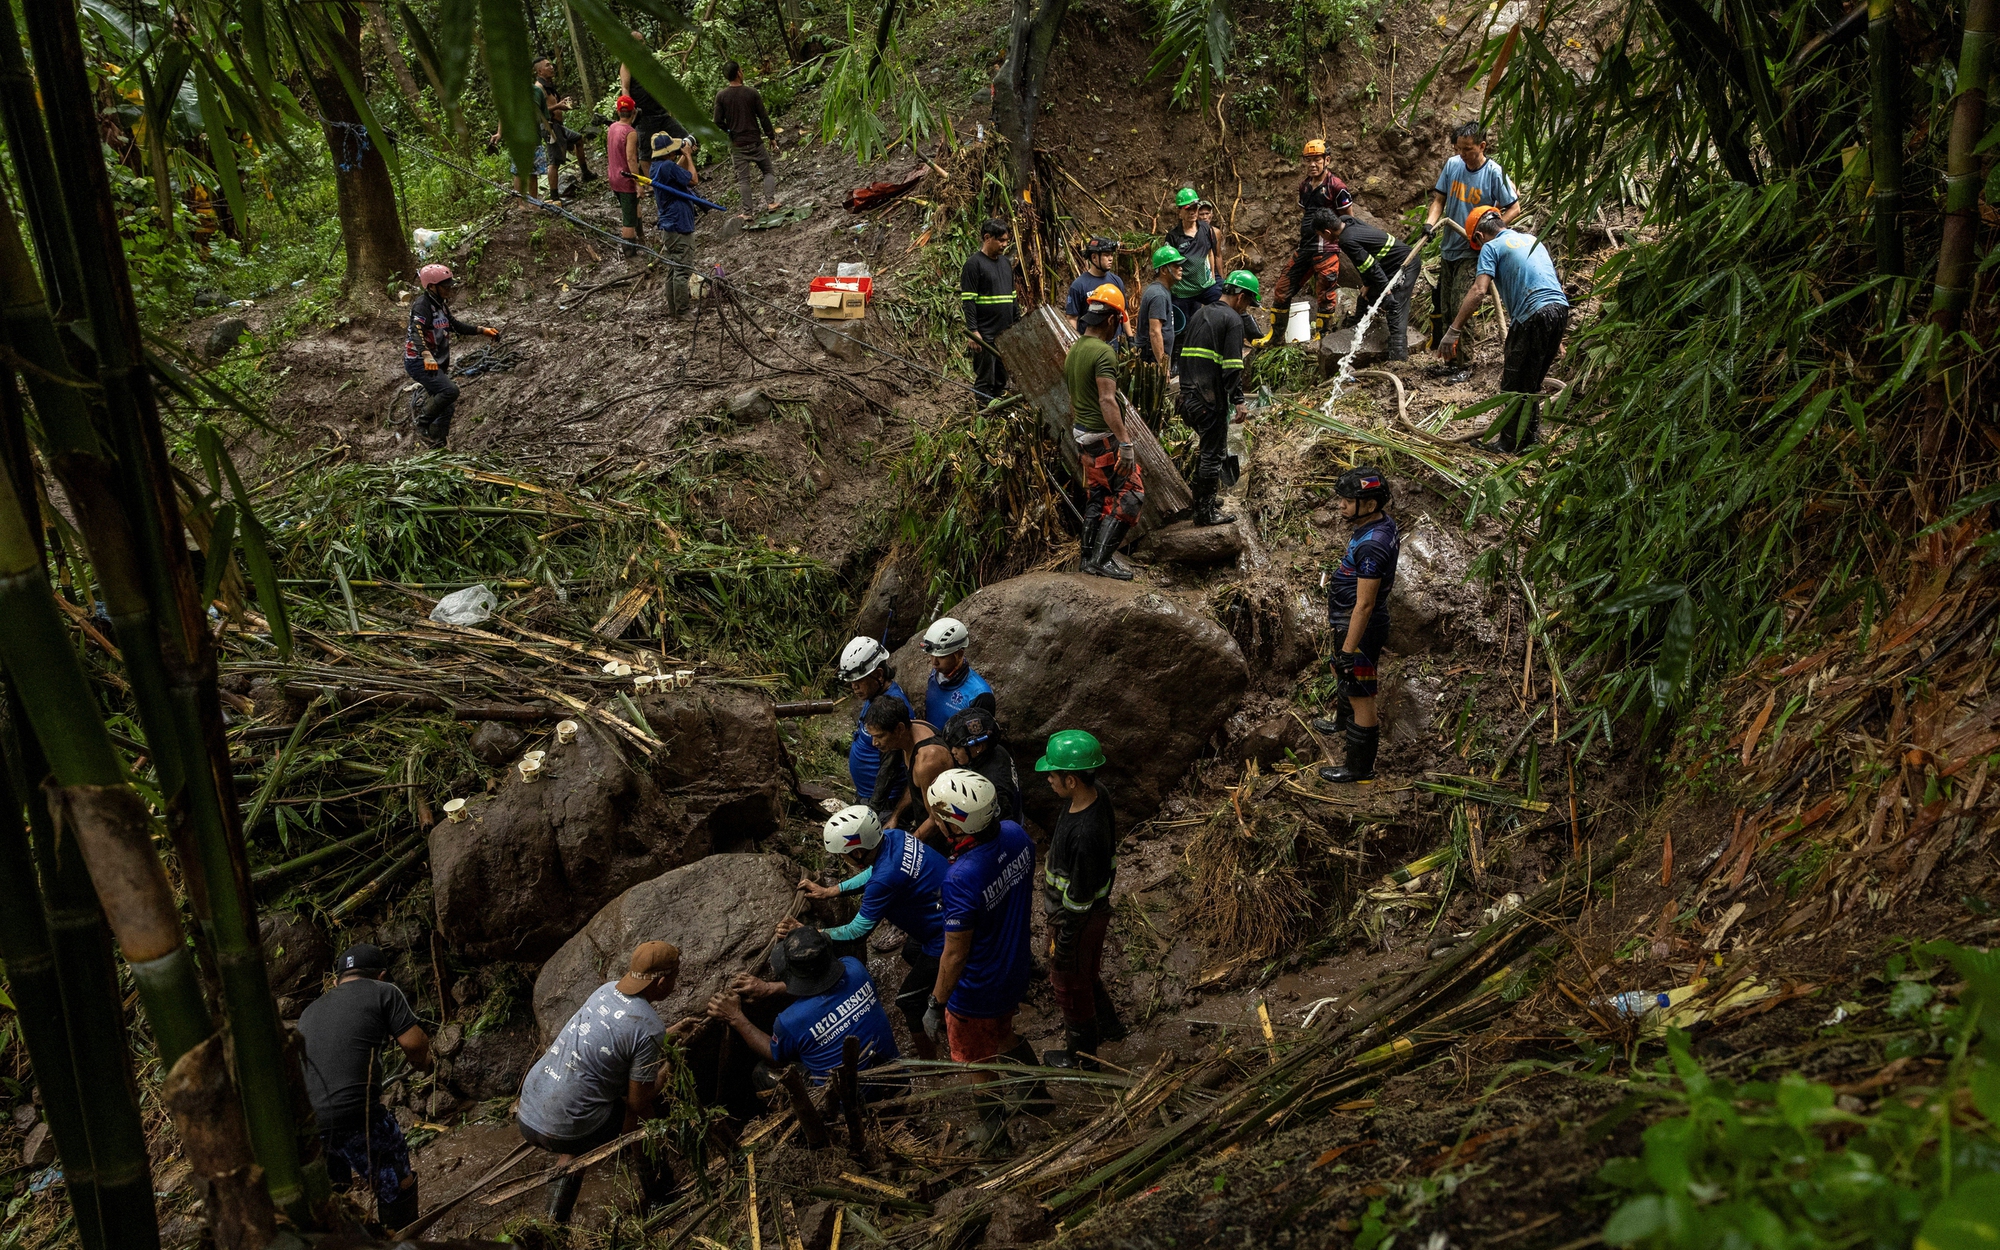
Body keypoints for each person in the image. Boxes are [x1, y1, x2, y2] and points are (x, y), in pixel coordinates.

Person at [517, 942, 697, 1224]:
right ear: (662, 981)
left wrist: (668, 1036)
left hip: (529, 1110)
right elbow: (639, 1101)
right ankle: (661, 1195)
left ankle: (552, 1226)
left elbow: (616, 1041)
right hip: (564, 1123)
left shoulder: (606, 990)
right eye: (675, 977)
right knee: (640, 1117)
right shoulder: (649, 1026)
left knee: (576, 1129)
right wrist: (671, 1067)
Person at [919, 769, 1040, 1152]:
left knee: (975, 1062)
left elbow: (954, 954)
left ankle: (994, 1133)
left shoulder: (961, 879)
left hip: (977, 988)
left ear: (955, 826)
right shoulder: (1017, 836)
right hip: (1014, 966)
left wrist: (936, 1004)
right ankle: (1036, 1095)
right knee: (1003, 1034)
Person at [297, 944, 433, 1230]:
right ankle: (403, 1240)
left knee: (336, 1193)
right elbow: (414, 1044)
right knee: (398, 1181)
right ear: (381, 976)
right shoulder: (384, 992)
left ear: (335, 981)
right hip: (355, 1115)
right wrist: (424, 1063)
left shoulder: (309, 1012)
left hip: (307, 1122)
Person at [794, 806, 946, 1058]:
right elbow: (875, 871)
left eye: (844, 855)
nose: (843, 860)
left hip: (945, 934)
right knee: (910, 952)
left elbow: (857, 931)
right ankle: (949, 996)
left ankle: (932, 1065)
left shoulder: (884, 880)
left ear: (858, 852)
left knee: (908, 1001)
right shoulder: (895, 837)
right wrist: (832, 890)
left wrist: (812, 934)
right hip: (945, 913)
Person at [707, 927, 900, 1096]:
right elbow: (822, 981)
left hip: (852, 1105)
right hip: (897, 1081)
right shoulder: (855, 968)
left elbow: (775, 1057)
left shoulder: (790, 1021)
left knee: (762, 1072)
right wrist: (769, 988)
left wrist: (735, 1017)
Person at [1439, 209, 1571, 452]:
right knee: (1530, 384)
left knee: (1512, 385)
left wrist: (1454, 329)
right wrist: (1557, 334)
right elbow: (1551, 280)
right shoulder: (1531, 239)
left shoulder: (1491, 247)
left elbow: (1479, 291)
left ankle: (1508, 444)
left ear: (1479, 235)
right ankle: (1529, 440)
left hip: (1532, 314)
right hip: (1559, 310)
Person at [1034, 731, 1126, 1069]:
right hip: (1087, 915)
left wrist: (1066, 941)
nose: (1049, 779)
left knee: (1068, 983)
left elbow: (1079, 899)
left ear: (1071, 780)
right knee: (1085, 974)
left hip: (1078, 919)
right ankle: (1110, 1027)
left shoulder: (1085, 833)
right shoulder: (1094, 795)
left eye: (1053, 774)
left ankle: (1083, 1059)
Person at [1314, 467, 1399, 785]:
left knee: (1362, 695)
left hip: (1360, 629)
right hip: (1351, 624)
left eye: (1349, 501)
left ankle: (1359, 768)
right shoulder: (1378, 524)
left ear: (1371, 504)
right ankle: (1340, 721)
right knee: (1342, 672)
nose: (1341, 506)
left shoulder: (1372, 546)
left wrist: (1350, 648)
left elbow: (1364, 605)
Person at [1424, 122, 1519, 372]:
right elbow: (1439, 200)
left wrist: (1489, 233)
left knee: (1461, 305)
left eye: (1467, 149)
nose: (1462, 154)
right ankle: (1450, 362)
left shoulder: (1494, 173)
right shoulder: (1453, 165)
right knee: (1445, 307)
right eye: (1458, 149)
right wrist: (1429, 224)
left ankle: (1465, 364)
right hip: (1449, 247)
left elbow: (1514, 207)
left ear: (1482, 146)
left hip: (1473, 252)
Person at [1066, 284, 1144, 580]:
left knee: (1097, 496)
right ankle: (1101, 559)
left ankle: (1087, 559)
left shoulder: (1076, 349)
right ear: (1111, 319)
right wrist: (1125, 442)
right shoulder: (1103, 353)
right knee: (1132, 494)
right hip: (1103, 440)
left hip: (1084, 438)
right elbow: (1106, 400)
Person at [1177, 270, 1258, 527]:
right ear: (1241, 297)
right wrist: (1239, 400)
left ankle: (1205, 499)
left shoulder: (1200, 313)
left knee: (1209, 449)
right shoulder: (1233, 320)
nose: (1247, 309)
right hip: (1209, 400)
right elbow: (1233, 366)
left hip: (1187, 398)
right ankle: (1204, 513)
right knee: (1212, 455)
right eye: (1248, 303)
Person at [403, 264, 499, 449]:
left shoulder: (441, 305)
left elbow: (453, 325)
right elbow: (416, 332)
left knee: (447, 407)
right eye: (445, 286)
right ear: (431, 286)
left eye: (450, 285)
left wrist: (481, 330)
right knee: (450, 391)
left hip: (435, 361)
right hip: (419, 362)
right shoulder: (422, 306)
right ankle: (421, 423)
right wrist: (426, 356)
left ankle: (436, 446)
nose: (449, 289)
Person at [1270, 139, 1351, 338]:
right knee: (1282, 288)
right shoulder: (1304, 186)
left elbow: (1348, 217)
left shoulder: (1337, 186)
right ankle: (1276, 336)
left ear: (1327, 160)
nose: (1312, 164)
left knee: (1325, 292)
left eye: (1317, 160)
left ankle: (1322, 336)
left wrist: (1343, 242)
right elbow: (1306, 213)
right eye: (1308, 160)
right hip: (1305, 247)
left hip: (1327, 248)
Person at [1317, 209, 1415, 362]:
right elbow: (1364, 264)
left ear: (1327, 231)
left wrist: (1386, 291)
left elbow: (1372, 266)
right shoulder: (1346, 220)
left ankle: (1398, 360)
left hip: (1405, 263)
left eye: (1321, 235)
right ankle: (1355, 336)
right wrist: (1368, 284)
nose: (1322, 238)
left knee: (1395, 307)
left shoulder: (1346, 240)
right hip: (1388, 267)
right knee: (1365, 297)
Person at [837, 636, 913, 816]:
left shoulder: (891, 706)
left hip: (883, 803)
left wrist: (873, 809)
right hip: (867, 796)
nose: (854, 687)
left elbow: (890, 766)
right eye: (851, 682)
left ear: (879, 675)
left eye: (859, 681)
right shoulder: (874, 695)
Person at [862, 697, 954, 844]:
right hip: (924, 824)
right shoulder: (913, 729)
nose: (874, 743)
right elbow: (915, 785)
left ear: (899, 729)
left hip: (942, 837)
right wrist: (895, 817)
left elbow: (936, 819)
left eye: (879, 736)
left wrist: (906, 846)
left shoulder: (928, 760)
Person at [960, 219, 1017, 405]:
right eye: (1001, 240)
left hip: (1006, 330)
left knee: (1002, 375)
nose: (1004, 244)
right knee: (985, 376)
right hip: (985, 332)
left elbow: (1013, 296)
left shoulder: (1006, 263)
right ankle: (983, 412)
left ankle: (1000, 410)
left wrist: (1017, 323)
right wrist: (973, 331)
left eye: (1006, 240)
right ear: (987, 238)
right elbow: (968, 300)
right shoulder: (973, 265)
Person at [713, 61, 779, 221]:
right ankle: (770, 203)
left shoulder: (721, 96)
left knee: (744, 180)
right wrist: (771, 137)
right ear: (738, 73)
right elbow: (763, 117)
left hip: (737, 145)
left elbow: (717, 120)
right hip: (755, 141)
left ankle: (747, 213)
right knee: (768, 171)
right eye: (742, 70)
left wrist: (729, 131)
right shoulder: (751, 93)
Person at [648, 133, 702, 315]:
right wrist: (687, 156)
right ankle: (682, 310)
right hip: (679, 225)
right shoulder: (667, 166)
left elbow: (676, 173)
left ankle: (674, 309)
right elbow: (693, 180)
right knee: (683, 270)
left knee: (673, 269)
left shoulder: (657, 167)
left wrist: (682, 157)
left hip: (668, 225)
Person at [1164, 188, 1223, 345]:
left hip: (1204, 284)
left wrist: (1212, 275)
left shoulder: (1206, 229)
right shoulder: (1173, 236)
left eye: (1195, 207)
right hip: (1183, 290)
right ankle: (1178, 357)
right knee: (1182, 326)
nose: (1193, 212)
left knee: (1224, 305)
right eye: (1188, 208)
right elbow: (1169, 264)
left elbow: (1210, 252)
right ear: (1180, 212)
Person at [1132, 244, 1184, 425]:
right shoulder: (1158, 295)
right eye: (1176, 265)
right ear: (1164, 269)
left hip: (1155, 359)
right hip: (1151, 361)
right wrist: (1162, 364)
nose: (1180, 268)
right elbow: (1155, 332)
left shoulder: (1162, 292)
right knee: (1149, 407)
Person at [944, 706, 1021, 826]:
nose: (953, 751)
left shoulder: (992, 786)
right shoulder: (997, 750)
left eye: (958, 747)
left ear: (978, 747)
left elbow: (1002, 826)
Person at [621, 32, 692, 161]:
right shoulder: (628, 63)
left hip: (661, 112)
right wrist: (630, 110)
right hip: (644, 116)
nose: (641, 45)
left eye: (642, 41)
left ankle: (677, 174)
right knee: (646, 155)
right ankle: (653, 181)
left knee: (686, 142)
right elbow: (625, 87)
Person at [920, 616, 996, 730]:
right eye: (932, 655)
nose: (934, 663)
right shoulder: (935, 674)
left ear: (959, 654)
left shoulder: (979, 694)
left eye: (942, 657)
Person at [533, 57, 593, 201]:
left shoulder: (548, 85)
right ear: (540, 71)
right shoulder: (538, 88)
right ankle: (555, 197)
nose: (552, 67)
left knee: (578, 139)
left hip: (559, 126)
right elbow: (538, 111)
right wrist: (558, 106)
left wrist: (561, 104)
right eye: (548, 66)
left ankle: (585, 173)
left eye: (551, 65)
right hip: (550, 127)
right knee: (554, 162)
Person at [1064, 237, 1126, 344]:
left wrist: (1129, 337)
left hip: (1115, 344)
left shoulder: (1117, 281)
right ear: (1094, 258)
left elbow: (1124, 311)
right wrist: (1075, 343)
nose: (1110, 258)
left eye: (1111, 255)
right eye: (1106, 255)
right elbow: (1072, 318)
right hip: (1090, 345)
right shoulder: (1079, 285)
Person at [606, 95, 644, 258]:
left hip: (613, 176)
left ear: (618, 111)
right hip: (625, 179)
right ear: (633, 112)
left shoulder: (613, 127)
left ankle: (641, 236)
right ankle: (630, 253)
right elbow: (631, 158)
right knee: (628, 218)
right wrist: (638, 182)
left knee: (633, 205)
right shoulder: (630, 132)